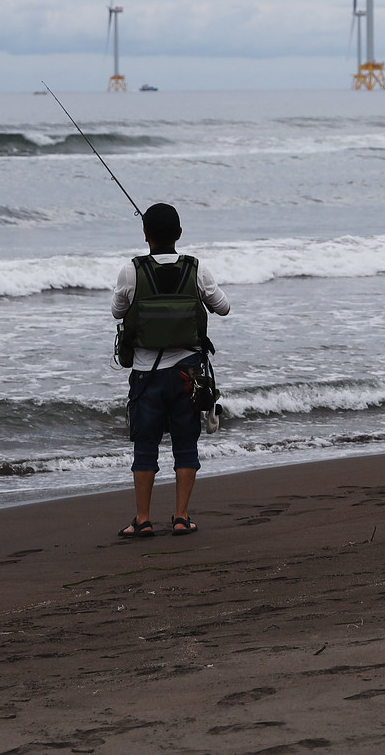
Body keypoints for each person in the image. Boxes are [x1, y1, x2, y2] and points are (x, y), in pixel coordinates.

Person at [112, 202, 230, 538]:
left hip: (146, 376)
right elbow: (223, 307)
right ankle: (180, 517)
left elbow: (117, 310)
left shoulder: (131, 271)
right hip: (187, 376)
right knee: (185, 444)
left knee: (145, 446)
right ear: (179, 234)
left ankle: (143, 519)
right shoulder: (196, 269)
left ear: (145, 234)